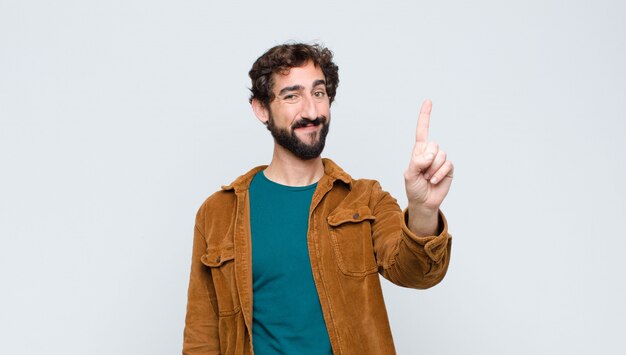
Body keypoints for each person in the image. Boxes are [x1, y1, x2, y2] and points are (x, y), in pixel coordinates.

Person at [183, 43, 454, 355]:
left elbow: (417, 273)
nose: (311, 111)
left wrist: (422, 210)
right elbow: (200, 339)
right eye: (291, 95)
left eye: (319, 93)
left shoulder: (365, 200)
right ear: (261, 108)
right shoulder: (217, 213)